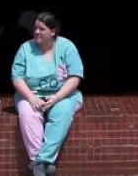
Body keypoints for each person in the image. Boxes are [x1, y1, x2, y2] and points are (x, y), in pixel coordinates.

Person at [12, 12, 85, 176]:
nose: (37, 32)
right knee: (27, 114)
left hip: (63, 94)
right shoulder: (25, 48)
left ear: (52, 31)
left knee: (62, 113)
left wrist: (57, 97)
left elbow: (75, 77)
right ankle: (41, 164)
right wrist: (31, 98)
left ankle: (41, 161)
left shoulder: (66, 47)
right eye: (35, 28)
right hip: (31, 94)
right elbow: (17, 78)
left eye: (41, 29)